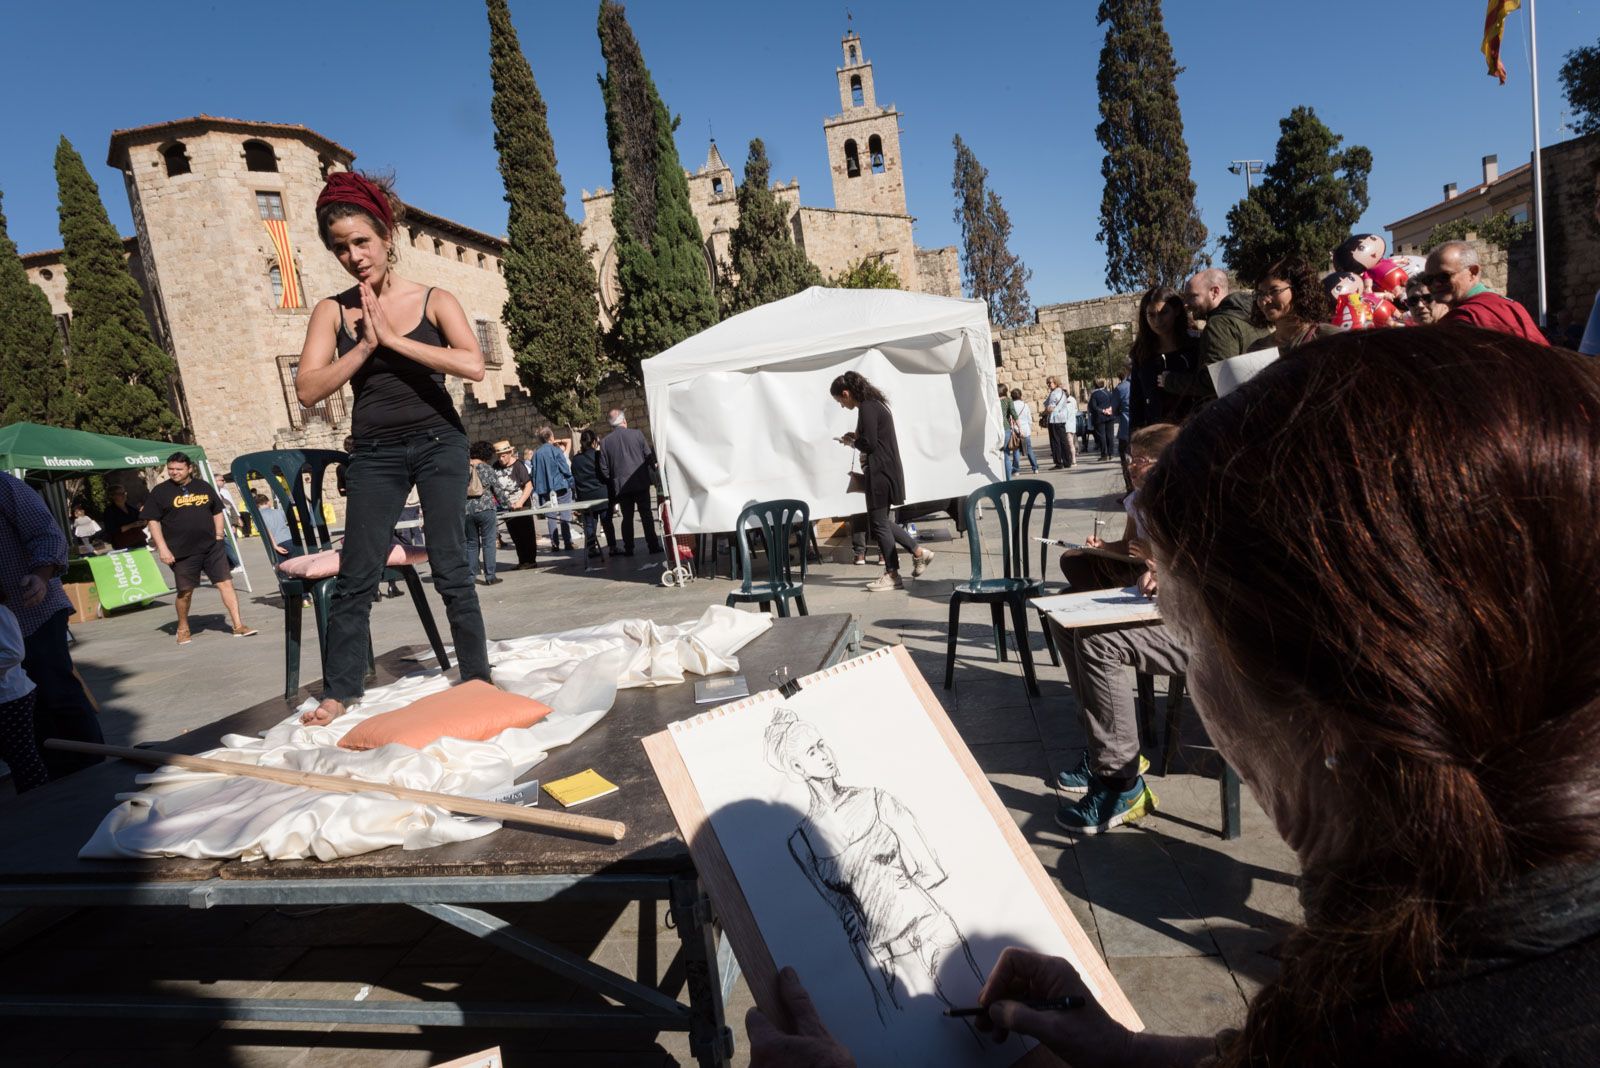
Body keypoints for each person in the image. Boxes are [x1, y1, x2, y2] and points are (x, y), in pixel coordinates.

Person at [750, 326, 1600, 1067]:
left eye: (1193, 636)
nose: (1194, 678)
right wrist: (1126, 1051)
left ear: (1331, 700)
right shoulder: (1492, 947)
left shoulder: (1433, 1029)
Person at [290, 170, 489, 727]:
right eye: (340, 248)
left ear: (386, 237)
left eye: (361, 242)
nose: (353, 256)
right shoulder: (332, 311)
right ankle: (340, 691)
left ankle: (476, 677)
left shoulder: (434, 299)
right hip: (374, 451)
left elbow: (473, 363)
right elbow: (308, 389)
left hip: (437, 441)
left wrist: (396, 342)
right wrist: (363, 349)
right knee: (357, 570)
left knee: (450, 564)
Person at [1050, 423, 1184, 835]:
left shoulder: (1192, 502)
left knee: (1095, 640)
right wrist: (1105, 551)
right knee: (1064, 619)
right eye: (1130, 460)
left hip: (1200, 627)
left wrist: (1170, 573)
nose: (1131, 467)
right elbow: (1133, 550)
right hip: (1157, 605)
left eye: (1140, 461)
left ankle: (1119, 779)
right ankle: (1105, 748)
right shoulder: (1144, 502)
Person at [0, 472, 104, 781]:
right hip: (4, 620)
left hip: (34, 607)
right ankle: (47, 781)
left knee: (54, 693)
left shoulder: (4, 485)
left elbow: (47, 534)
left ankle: (94, 771)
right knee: (19, 707)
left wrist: (41, 575)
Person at [831, 371, 934, 592]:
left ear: (846, 393)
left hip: (879, 473)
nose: (841, 405)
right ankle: (918, 553)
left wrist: (853, 442)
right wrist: (856, 439)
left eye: (840, 400)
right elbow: (871, 438)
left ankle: (892, 574)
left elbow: (870, 444)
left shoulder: (867, 407)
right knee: (881, 522)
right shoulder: (875, 405)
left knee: (879, 523)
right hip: (884, 471)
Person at [141, 453, 257, 645]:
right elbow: (152, 521)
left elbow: (217, 510)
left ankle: (238, 625)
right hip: (181, 551)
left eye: (178, 469)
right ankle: (183, 627)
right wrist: (162, 548)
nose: (174, 472)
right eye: (171, 469)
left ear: (189, 469)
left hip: (212, 547)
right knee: (185, 591)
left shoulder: (203, 486)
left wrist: (219, 535)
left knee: (225, 583)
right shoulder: (160, 492)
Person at [1165, 267, 1269, 401]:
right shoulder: (1254, 316)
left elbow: (1215, 382)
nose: (1186, 304)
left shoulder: (1219, 324)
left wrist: (1170, 380)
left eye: (1192, 296)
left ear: (1214, 292)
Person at [1422, 240, 1548, 344]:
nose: (1435, 284)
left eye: (1444, 276)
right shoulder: (1512, 306)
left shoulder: (1461, 320)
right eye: (1428, 279)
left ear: (1473, 272)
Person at [1127, 286, 1198, 430]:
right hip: (1156, 438)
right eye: (1151, 315)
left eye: (1163, 312)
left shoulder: (1196, 346)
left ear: (1176, 311)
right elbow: (1136, 403)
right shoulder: (1141, 354)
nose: (1157, 321)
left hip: (1194, 433)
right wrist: (1134, 440)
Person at [0, 590, 48, 794]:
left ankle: (39, 801)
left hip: (11, 698)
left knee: (22, 757)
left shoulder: (1, 613)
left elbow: (14, 652)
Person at [597, 409, 661, 556]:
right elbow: (648, 456)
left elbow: (604, 468)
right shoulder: (637, 434)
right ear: (624, 421)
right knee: (646, 515)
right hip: (640, 481)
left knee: (627, 517)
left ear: (611, 425)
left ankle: (629, 548)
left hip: (621, 485)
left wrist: (612, 478)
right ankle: (652, 545)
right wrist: (652, 469)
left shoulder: (605, 443)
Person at [1247, 256, 1341, 354]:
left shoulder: (1331, 340)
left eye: (1274, 291)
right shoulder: (1257, 350)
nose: (1264, 301)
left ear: (1299, 289)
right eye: (1260, 294)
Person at [568, 429, 617, 566]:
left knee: (590, 524)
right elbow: (605, 474)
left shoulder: (576, 460)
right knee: (607, 522)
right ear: (595, 441)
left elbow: (575, 479)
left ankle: (591, 548)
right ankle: (612, 546)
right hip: (602, 494)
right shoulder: (598, 456)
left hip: (586, 497)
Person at [463, 441, 509, 585]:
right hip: (486, 509)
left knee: (471, 543)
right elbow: (498, 491)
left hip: (466, 510)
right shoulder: (487, 469)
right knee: (489, 542)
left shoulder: (463, 468)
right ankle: (490, 576)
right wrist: (508, 505)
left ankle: (471, 576)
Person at [493, 439, 538, 569]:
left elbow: (528, 486)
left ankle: (530, 560)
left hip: (521, 505)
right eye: (499, 456)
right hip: (506, 507)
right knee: (515, 534)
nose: (501, 459)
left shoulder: (518, 466)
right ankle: (522, 561)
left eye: (503, 455)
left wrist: (520, 502)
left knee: (526, 533)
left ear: (510, 453)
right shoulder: (495, 467)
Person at [530, 427, 575, 552]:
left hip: (544, 489)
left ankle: (555, 544)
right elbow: (565, 469)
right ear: (551, 437)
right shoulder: (556, 451)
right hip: (560, 487)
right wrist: (571, 483)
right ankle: (568, 542)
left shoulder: (536, 454)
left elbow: (533, 474)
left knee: (551, 517)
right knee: (565, 514)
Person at [1042, 376, 1075, 470]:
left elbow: (1050, 408)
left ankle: (1058, 463)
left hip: (1054, 419)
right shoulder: (1062, 392)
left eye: (1050, 383)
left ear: (1055, 383)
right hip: (1062, 419)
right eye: (1047, 383)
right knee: (1063, 441)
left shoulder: (1053, 394)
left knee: (1055, 442)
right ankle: (1067, 461)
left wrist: (1043, 413)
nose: (1048, 384)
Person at [1005, 388, 1040, 476]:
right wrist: (1029, 427)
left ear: (1011, 396)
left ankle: (1016, 470)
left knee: (1016, 451)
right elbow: (1029, 419)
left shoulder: (1011, 405)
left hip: (1015, 430)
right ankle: (1035, 468)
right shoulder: (1025, 405)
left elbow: (1010, 418)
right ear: (1020, 395)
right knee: (1029, 449)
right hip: (1025, 430)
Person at [101, 485, 147, 551]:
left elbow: (141, 520)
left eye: (124, 493)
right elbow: (112, 530)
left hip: (139, 540)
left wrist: (144, 522)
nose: (124, 495)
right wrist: (131, 525)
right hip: (123, 543)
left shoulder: (131, 508)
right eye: (120, 494)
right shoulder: (109, 511)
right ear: (112, 496)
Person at [253, 492, 294, 556]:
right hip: (289, 539)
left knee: (282, 565)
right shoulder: (279, 511)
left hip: (275, 543)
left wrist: (274, 546)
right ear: (268, 502)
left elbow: (265, 531)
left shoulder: (258, 518)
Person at [1088, 378, 1115, 461]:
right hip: (1110, 416)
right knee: (1110, 435)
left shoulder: (1094, 395)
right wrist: (1109, 410)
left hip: (1099, 418)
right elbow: (1114, 403)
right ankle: (1111, 453)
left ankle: (1104, 455)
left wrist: (1102, 411)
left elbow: (1093, 407)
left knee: (1102, 436)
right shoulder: (1109, 393)